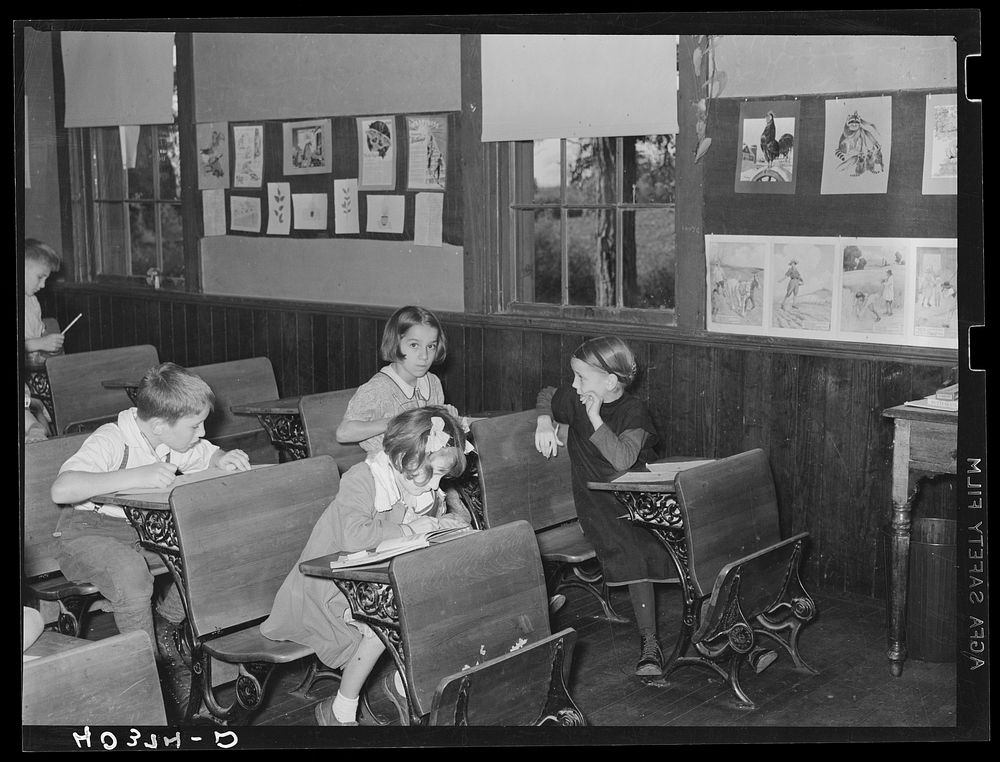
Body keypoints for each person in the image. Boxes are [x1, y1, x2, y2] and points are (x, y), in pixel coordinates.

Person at [49, 362, 251, 719]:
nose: (202, 432)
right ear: (159, 424)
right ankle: (144, 679)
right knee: (132, 575)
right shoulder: (112, 438)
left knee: (205, 550)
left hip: (139, 531)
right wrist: (133, 476)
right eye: (195, 425)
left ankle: (167, 623)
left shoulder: (175, 439)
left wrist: (223, 458)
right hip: (85, 533)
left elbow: (205, 453)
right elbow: (62, 489)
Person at [262, 406, 472, 726]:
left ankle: (403, 685)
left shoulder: (416, 485)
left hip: (370, 579)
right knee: (380, 626)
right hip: (325, 587)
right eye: (433, 474)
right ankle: (340, 710)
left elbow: (422, 526)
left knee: (429, 608)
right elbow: (354, 535)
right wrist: (409, 529)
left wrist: (439, 523)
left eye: (443, 476)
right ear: (403, 460)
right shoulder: (364, 478)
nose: (436, 485)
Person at [533, 336, 673, 677]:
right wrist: (544, 422)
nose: (574, 384)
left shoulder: (634, 411)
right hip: (597, 504)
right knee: (637, 546)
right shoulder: (575, 398)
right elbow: (548, 395)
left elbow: (623, 458)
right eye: (574, 376)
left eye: (581, 377)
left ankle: (720, 631)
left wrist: (595, 418)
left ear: (610, 382)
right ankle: (649, 643)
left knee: (688, 532)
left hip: (634, 494)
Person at [23, 239, 65, 360]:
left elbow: (40, 333)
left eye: (45, 279)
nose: (43, 285)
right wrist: (41, 343)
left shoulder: (33, 301)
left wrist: (50, 344)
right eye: (40, 277)